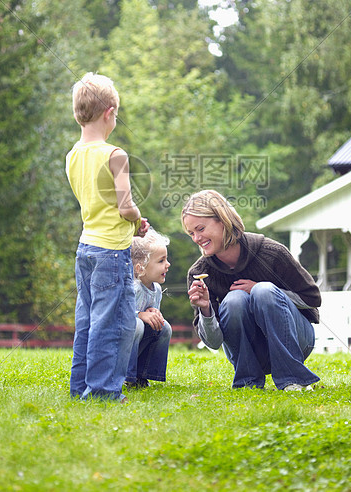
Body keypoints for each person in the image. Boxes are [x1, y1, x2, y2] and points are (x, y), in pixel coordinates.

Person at [182, 190, 321, 391]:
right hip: (252, 352)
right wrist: (206, 310)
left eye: (200, 228)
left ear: (222, 220)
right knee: (234, 300)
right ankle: (248, 382)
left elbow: (312, 298)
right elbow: (213, 343)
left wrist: (262, 290)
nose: (196, 238)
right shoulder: (199, 272)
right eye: (191, 233)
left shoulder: (272, 252)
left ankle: (294, 380)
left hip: (297, 342)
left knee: (264, 291)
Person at [66, 72, 149, 403]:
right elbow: (125, 205)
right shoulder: (115, 155)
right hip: (111, 251)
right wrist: (138, 219)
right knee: (113, 323)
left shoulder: (73, 155)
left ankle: (80, 388)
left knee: (86, 320)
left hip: (85, 248)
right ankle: (102, 391)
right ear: (110, 112)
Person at [125, 229, 172, 388]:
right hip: (119, 344)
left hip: (138, 339)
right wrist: (139, 315)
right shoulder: (132, 288)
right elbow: (119, 313)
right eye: (161, 261)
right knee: (136, 324)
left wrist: (155, 313)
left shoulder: (156, 289)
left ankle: (143, 375)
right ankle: (125, 375)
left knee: (165, 327)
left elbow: (153, 315)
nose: (168, 264)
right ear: (140, 268)